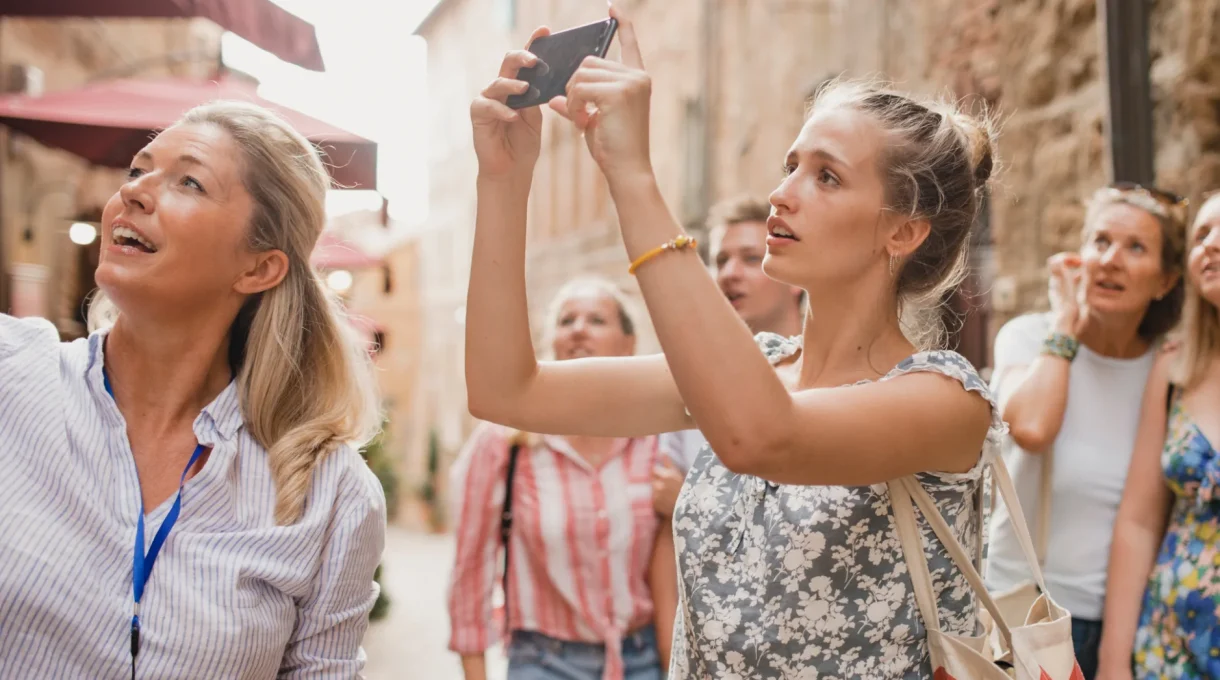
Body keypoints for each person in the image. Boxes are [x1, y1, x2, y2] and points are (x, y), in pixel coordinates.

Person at [465, 7, 1004, 677]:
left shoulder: (946, 399)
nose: (781, 193)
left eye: (826, 176)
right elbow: (505, 389)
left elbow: (760, 437)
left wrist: (633, 177)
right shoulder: (759, 371)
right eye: (790, 166)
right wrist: (503, 179)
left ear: (902, 232)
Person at [0, 101, 386, 678]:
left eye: (189, 181)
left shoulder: (331, 494)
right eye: (138, 170)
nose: (133, 192)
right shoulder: (13, 374)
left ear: (258, 270)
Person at [986, 183, 1186, 679]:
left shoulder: (1170, 371)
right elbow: (1031, 427)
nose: (1111, 259)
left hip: (1123, 627)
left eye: (1135, 247)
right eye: (1100, 242)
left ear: (1165, 281)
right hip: (1021, 617)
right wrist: (1066, 326)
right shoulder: (1032, 339)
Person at [447, 276, 672, 680]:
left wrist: (683, 505)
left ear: (629, 346)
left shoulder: (656, 441)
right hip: (543, 662)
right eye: (567, 320)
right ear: (550, 344)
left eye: (596, 320)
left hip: (643, 658)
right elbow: (470, 570)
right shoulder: (506, 442)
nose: (579, 328)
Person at [1097, 192, 1220, 680]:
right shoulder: (1176, 367)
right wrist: (1112, 663)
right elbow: (1139, 522)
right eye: (1201, 235)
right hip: (1169, 650)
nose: (1209, 245)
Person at [651, 196, 805, 510]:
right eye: (721, 260)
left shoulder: (828, 373)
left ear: (795, 279)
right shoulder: (691, 383)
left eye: (750, 259)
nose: (729, 273)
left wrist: (690, 503)